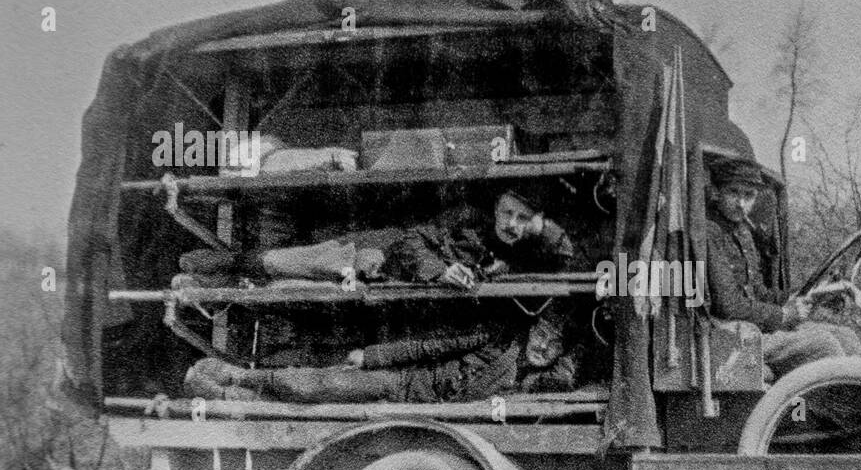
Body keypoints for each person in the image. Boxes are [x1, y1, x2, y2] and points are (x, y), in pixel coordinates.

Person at [178, 188, 575, 289]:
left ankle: (208, 283)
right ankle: (211, 266)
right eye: (507, 212)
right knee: (280, 263)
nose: (512, 224)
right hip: (373, 255)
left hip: (384, 282)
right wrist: (442, 270)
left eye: (524, 219)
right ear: (495, 208)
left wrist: (546, 227)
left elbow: (567, 257)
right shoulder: (468, 219)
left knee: (282, 287)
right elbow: (410, 240)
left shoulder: (521, 251)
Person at [183, 316, 576, 404]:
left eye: (554, 344)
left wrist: (570, 354)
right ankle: (236, 376)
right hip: (404, 384)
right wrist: (371, 357)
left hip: (429, 417)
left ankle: (234, 396)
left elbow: (565, 378)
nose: (543, 347)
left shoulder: (533, 381)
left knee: (321, 405)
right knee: (322, 384)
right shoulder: (494, 337)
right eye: (541, 334)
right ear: (529, 329)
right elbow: (426, 347)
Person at [705, 161, 861, 379]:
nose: (741, 203)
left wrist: (797, 297)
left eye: (749, 195)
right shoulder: (709, 232)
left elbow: (757, 291)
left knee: (847, 338)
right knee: (824, 346)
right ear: (716, 192)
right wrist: (783, 315)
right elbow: (728, 305)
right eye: (733, 192)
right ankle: (836, 410)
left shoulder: (741, 231)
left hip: (752, 326)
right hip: (730, 333)